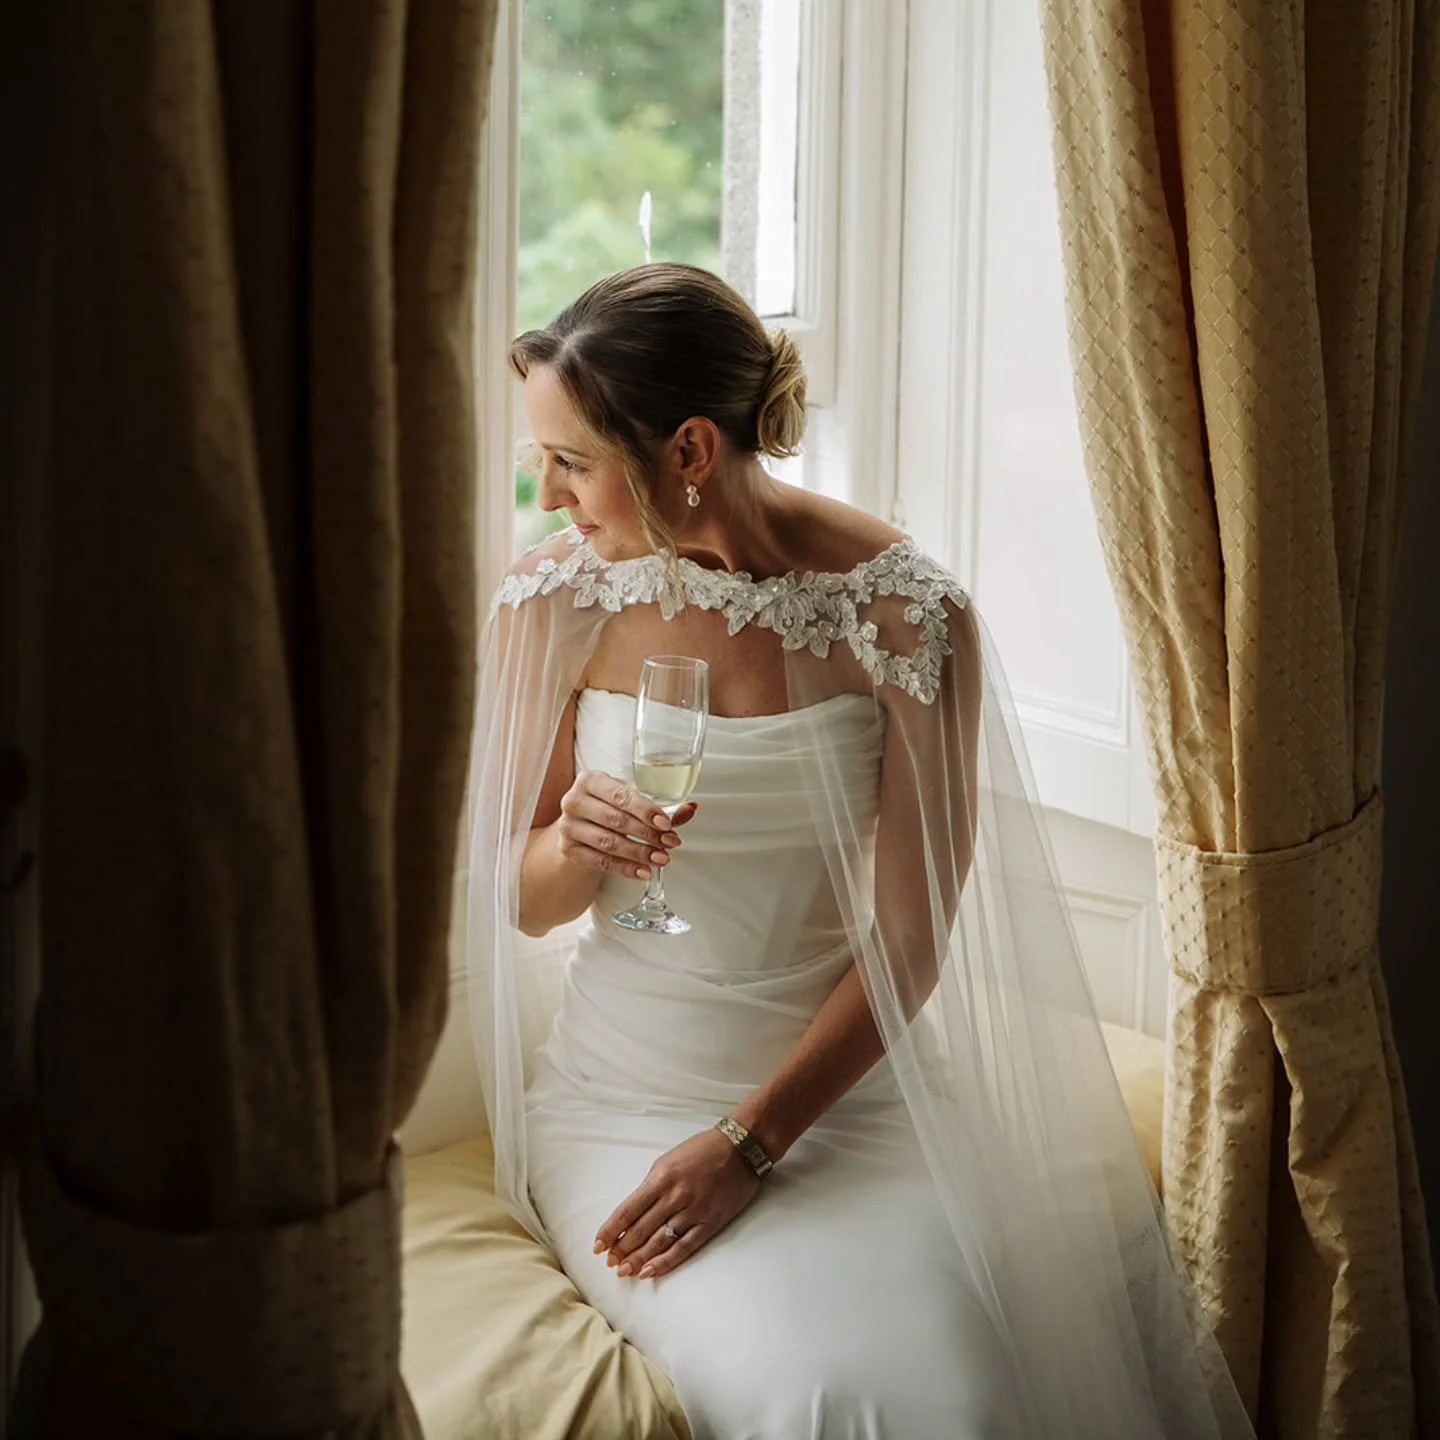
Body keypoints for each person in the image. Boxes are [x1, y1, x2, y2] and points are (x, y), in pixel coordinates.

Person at [467, 263, 1253, 1439]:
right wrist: (575, 851)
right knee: (823, 1395)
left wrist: (748, 1142)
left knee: (956, 1389)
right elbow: (521, 905)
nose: (549, 494)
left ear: (687, 449)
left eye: (572, 462)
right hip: (623, 1101)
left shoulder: (907, 616)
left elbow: (910, 937)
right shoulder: (553, 602)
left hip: (849, 1104)